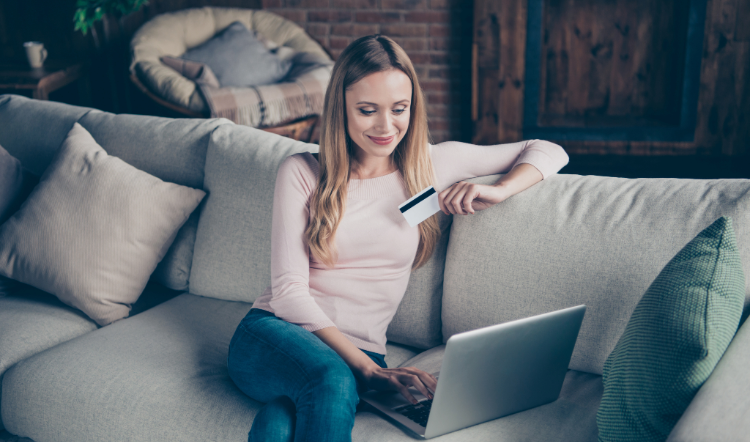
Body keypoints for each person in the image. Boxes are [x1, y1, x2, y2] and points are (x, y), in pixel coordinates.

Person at [226, 34, 569, 442]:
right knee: (330, 377)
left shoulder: (432, 164)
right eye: (367, 110)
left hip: (362, 351)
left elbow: (546, 149)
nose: (386, 127)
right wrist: (366, 370)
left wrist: (499, 190)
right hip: (275, 334)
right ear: (342, 109)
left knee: (281, 421)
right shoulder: (301, 172)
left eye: (399, 109)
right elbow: (287, 294)